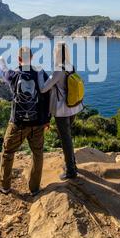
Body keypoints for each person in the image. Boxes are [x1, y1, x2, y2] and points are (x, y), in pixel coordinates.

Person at [0, 47, 50, 196]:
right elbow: (47, 96)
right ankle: (35, 188)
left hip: (18, 123)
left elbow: (3, 70)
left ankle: (4, 185)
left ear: (19, 59)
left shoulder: (14, 75)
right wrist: (47, 119)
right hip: (37, 122)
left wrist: (1, 60)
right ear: (31, 58)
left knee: (7, 152)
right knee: (37, 154)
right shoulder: (40, 74)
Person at [38, 43, 83, 180]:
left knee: (65, 140)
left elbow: (43, 88)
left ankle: (71, 171)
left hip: (62, 110)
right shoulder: (71, 66)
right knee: (68, 137)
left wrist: (40, 74)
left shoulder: (59, 70)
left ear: (56, 54)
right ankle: (72, 165)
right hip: (73, 107)